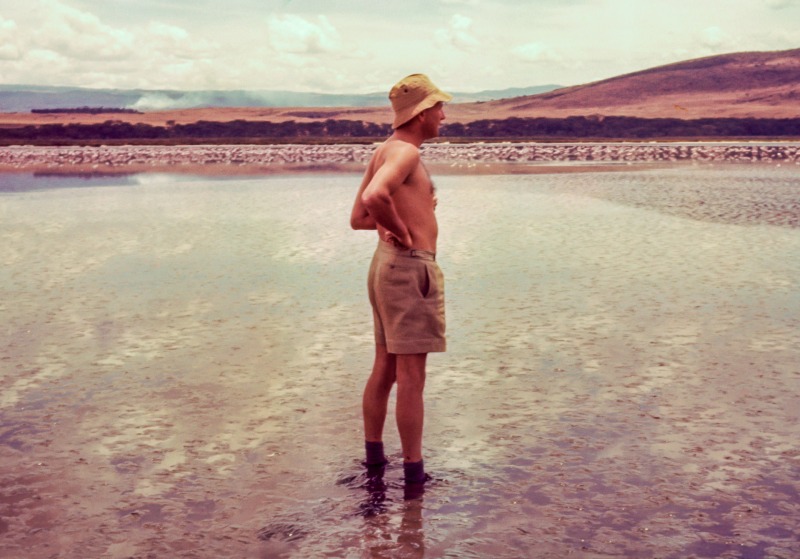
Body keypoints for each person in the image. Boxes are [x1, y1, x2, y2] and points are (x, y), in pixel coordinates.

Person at [350, 74, 451, 485]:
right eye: (439, 108)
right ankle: (414, 474)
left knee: (385, 368)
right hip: (409, 268)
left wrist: (407, 213)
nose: (444, 116)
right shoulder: (405, 154)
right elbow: (373, 202)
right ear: (422, 113)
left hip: (385, 267)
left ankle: (375, 462)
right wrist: (405, 231)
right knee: (411, 378)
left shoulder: (385, 150)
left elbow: (358, 220)